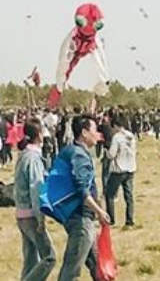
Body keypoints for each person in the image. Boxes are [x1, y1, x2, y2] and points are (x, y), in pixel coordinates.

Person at [47, 115, 111, 281]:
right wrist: (99, 211)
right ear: (84, 132)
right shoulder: (79, 155)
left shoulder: (70, 150)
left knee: (96, 263)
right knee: (71, 269)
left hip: (74, 215)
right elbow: (81, 189)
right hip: (81, 217)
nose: (98, 134)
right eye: (94, 130)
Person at [15, 118, 56, 281]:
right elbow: (36, 188)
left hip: (21, 213)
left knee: (31, 260)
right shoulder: (33, 158)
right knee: (49, 258)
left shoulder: (24, 155)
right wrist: (41, 217)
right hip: (31, 214)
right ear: (39, 135)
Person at [104, 113, 137, 227]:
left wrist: (106, 152)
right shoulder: (131, 136)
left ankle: (111, 218)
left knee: (109, 195)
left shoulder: (117, 137)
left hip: (119, 170)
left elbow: (112, 154)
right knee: (129, 196)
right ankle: (130, 219)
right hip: (131, 168)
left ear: (116, 125)